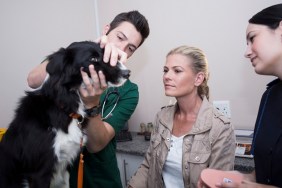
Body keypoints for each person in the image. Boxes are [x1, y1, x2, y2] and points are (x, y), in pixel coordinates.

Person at [27, 10, 150, 188]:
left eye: (130, 48)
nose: (121, 49)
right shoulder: (74, 58)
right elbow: (32, 80)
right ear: (106, 30)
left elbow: (97, 144)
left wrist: (92, 105)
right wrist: (81, 51)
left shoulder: (129, 91)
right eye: (120, 37)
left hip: (100, 179)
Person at [128, 45, 236, 188]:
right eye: (165, 70)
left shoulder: (221, 128)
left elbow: (217, 184)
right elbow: (149, 165)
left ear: (198, 79)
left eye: (177, 71)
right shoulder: (162, 117)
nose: (167, 76)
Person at [201, 3, 282, 188]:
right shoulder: (270, 97)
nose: (246, 52)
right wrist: (235, 178)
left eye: (252, 38)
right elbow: (264, 173)